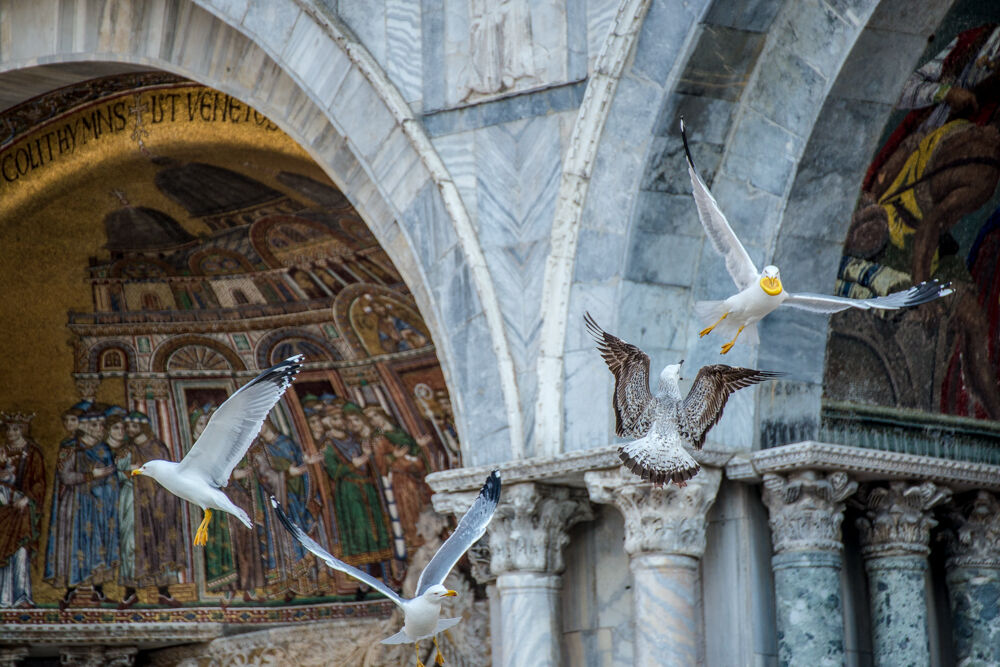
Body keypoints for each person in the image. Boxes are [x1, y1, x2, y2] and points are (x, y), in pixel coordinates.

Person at [44, 408, 119, 608]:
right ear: (84, 426)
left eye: (102, 425)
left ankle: (99, 591)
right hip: (75, 505)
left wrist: (107, 486)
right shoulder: (69, 448)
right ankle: (70, 591)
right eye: (95, 425)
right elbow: (65, 477)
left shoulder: (104, 449)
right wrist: (91, 475)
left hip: (99, 506)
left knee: (98, 544)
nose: (101, 429)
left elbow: (112, 477)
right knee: (75, 544)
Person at [0, 413, 45, 607]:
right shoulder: (2, 451)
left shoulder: (33, 453)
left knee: (20, 551)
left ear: (23, 430)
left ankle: (21, 595)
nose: (11, 433)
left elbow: (40, 482)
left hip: (22, 509)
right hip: (3, 508)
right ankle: (4, 597)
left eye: (16, 429)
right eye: (9, 429)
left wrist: (27, 498)